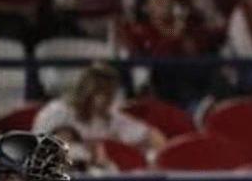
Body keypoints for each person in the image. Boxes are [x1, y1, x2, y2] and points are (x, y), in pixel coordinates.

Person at [32, 63, 166, 156]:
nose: (110, 101)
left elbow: (152, 137)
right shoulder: (55, 112)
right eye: (105, 94)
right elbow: (37, 151)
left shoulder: (109, 116)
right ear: (88, 91)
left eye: (111, 95)